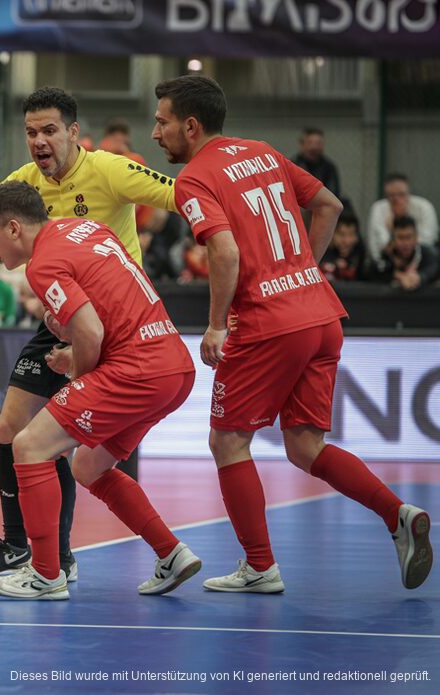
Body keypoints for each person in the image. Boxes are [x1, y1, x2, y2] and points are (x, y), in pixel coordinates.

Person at [153, 74, 432, 592]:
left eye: (162, 122)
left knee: (228, 441)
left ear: (190, 126)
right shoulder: (261, 151)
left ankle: (259, 566)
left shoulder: (194, 178)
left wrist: (215, 325)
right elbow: (330, 205)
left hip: (266, 324)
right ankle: (398, 515)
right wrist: (301, 266)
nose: (156, 133)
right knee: (305, 446)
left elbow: (225, 251)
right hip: (320, 315)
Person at [0, 86, 178, 581]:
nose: (38, 141)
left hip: (109, 326)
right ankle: (20, 546)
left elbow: (177, 196)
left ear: (72, 133)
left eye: (48, 130)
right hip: (62, 318)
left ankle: (56, 560)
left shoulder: (110, 169)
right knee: (10, 427)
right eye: (30, 132)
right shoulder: (26, 182)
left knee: (54, 444)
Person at [0, 181, 199, 600]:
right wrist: (71, 339)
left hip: (136, 369)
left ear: (12, 228)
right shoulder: (88, 229)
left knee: (28, 446)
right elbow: (103, 307)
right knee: (88, 467)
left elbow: (91, 331)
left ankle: (45, 574)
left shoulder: (42, 264)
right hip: (173, 364)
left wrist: (77, 369)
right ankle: (171, 552)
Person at [366, 173, 438, 264]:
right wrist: (392, 230)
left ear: (409, 192)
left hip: (421, 264)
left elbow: (427, 242)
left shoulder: (424, 207)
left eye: (401, 194)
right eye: (391, 196)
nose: (397, 200)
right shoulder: (378, 208)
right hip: (389, 264)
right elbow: (376, 249)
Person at [369, 215, 439, 291]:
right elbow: (371, 271)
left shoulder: (427, 253)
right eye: (400, 237)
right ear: (393, 240)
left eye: (409, 237)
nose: (405, 243)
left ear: (416, 238)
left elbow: (433, 268)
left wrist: (419, 277)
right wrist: (398, 275)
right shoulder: (387, 255)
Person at [319, 212, 369, 283]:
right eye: (342, 234)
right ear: (331, 234)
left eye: (351, 234)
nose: (347, 241)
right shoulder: (319, 255)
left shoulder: (360, 256)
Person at [292, 127, 340, 199]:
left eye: (318, 143)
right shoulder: (293, 166)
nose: (314, 147)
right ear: (302, 145)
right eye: (310, 143)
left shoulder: (329, 167)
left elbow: (333, 192)